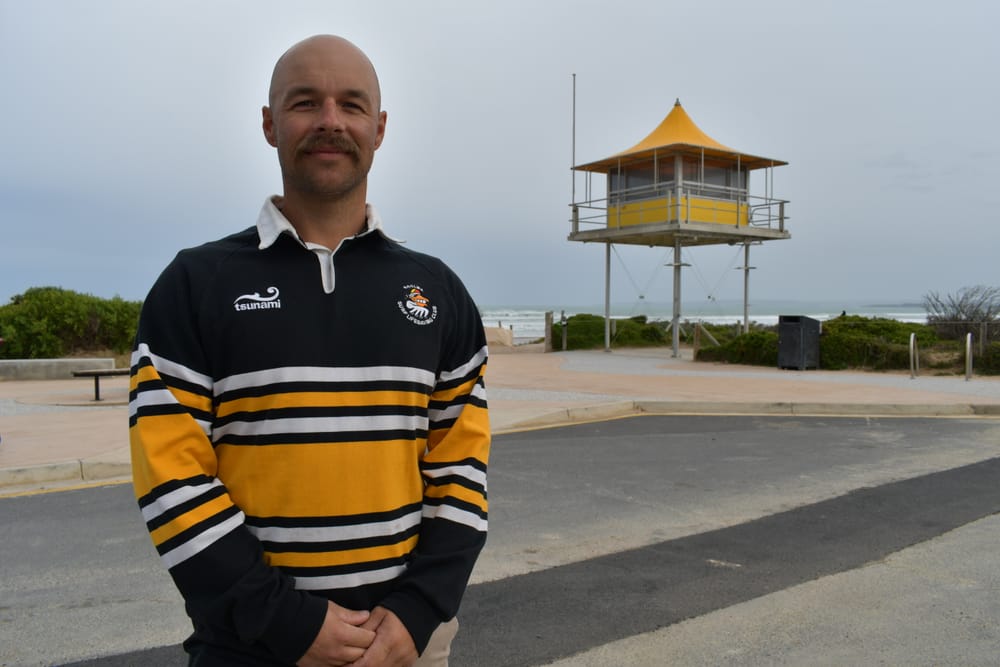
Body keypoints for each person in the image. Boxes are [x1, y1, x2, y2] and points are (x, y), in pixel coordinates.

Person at [128, 35, 490, 667]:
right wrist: (285, 622)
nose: (330, 121)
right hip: (250, 647)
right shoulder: (195, 284)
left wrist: (416, 612)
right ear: (270, 125)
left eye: (351, 104)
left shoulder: (438, 291)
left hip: (405, 646)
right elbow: (173, 481)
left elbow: (460, 474)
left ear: (379, 128)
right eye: (305, 102)